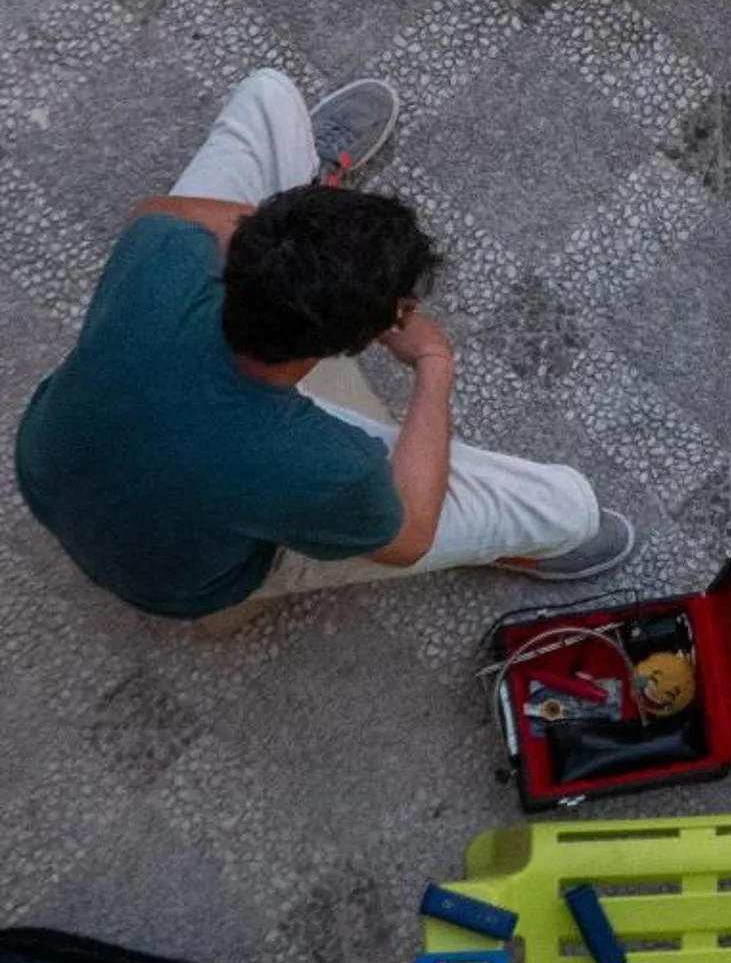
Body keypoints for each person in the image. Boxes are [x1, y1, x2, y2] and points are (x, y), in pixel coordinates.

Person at [14, 72, 633, 620]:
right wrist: (433, 365)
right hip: (181, 583)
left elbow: (160, 211)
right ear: (357, 341)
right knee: (569, 509)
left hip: (47, 473)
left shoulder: (164, 252)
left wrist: (294, 242)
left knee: (268, 96)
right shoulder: (329, 467)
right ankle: (522, 542)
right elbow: (411, 532)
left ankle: (309, 187)